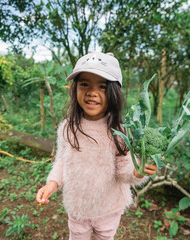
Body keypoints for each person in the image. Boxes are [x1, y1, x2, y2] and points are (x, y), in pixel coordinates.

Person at [36, 52, 157, 240]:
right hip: (77, 208)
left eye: (102, 86)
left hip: (108, 208)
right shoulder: (68, 127)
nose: (92, 92)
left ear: (114, 93)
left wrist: (139, 170)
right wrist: (52, 183)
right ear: (75, 88)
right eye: (85, 84)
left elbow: (124, 171)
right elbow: (62, 161)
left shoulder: (119, 131)